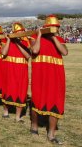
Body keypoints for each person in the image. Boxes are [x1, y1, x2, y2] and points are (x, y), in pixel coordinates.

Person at [30, 15, 68, 144]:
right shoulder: (35, 37)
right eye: (51, 27)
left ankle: (51, 134)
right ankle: (34, 125)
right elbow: (35, 50)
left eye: (56, 27)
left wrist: (54, 38)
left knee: (56, 101)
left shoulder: (59, 39)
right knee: (37, 99)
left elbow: (64, 52)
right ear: (46, 27)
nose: (54, 29)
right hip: (40, 74)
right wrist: (40, 35)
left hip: (56, 75)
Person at [0, 22, 31, 122]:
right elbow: (3, 53)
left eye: (21, 32)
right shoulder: (6, 41)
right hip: (9, 69)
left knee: (21, 91)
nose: (20, 33)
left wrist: (17, 42)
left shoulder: (26, 42)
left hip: (21, 70)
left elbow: (27, 56)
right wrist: (9, 40)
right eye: (18, 32)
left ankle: (17, 117)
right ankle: (6, 111)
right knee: (7, 89)